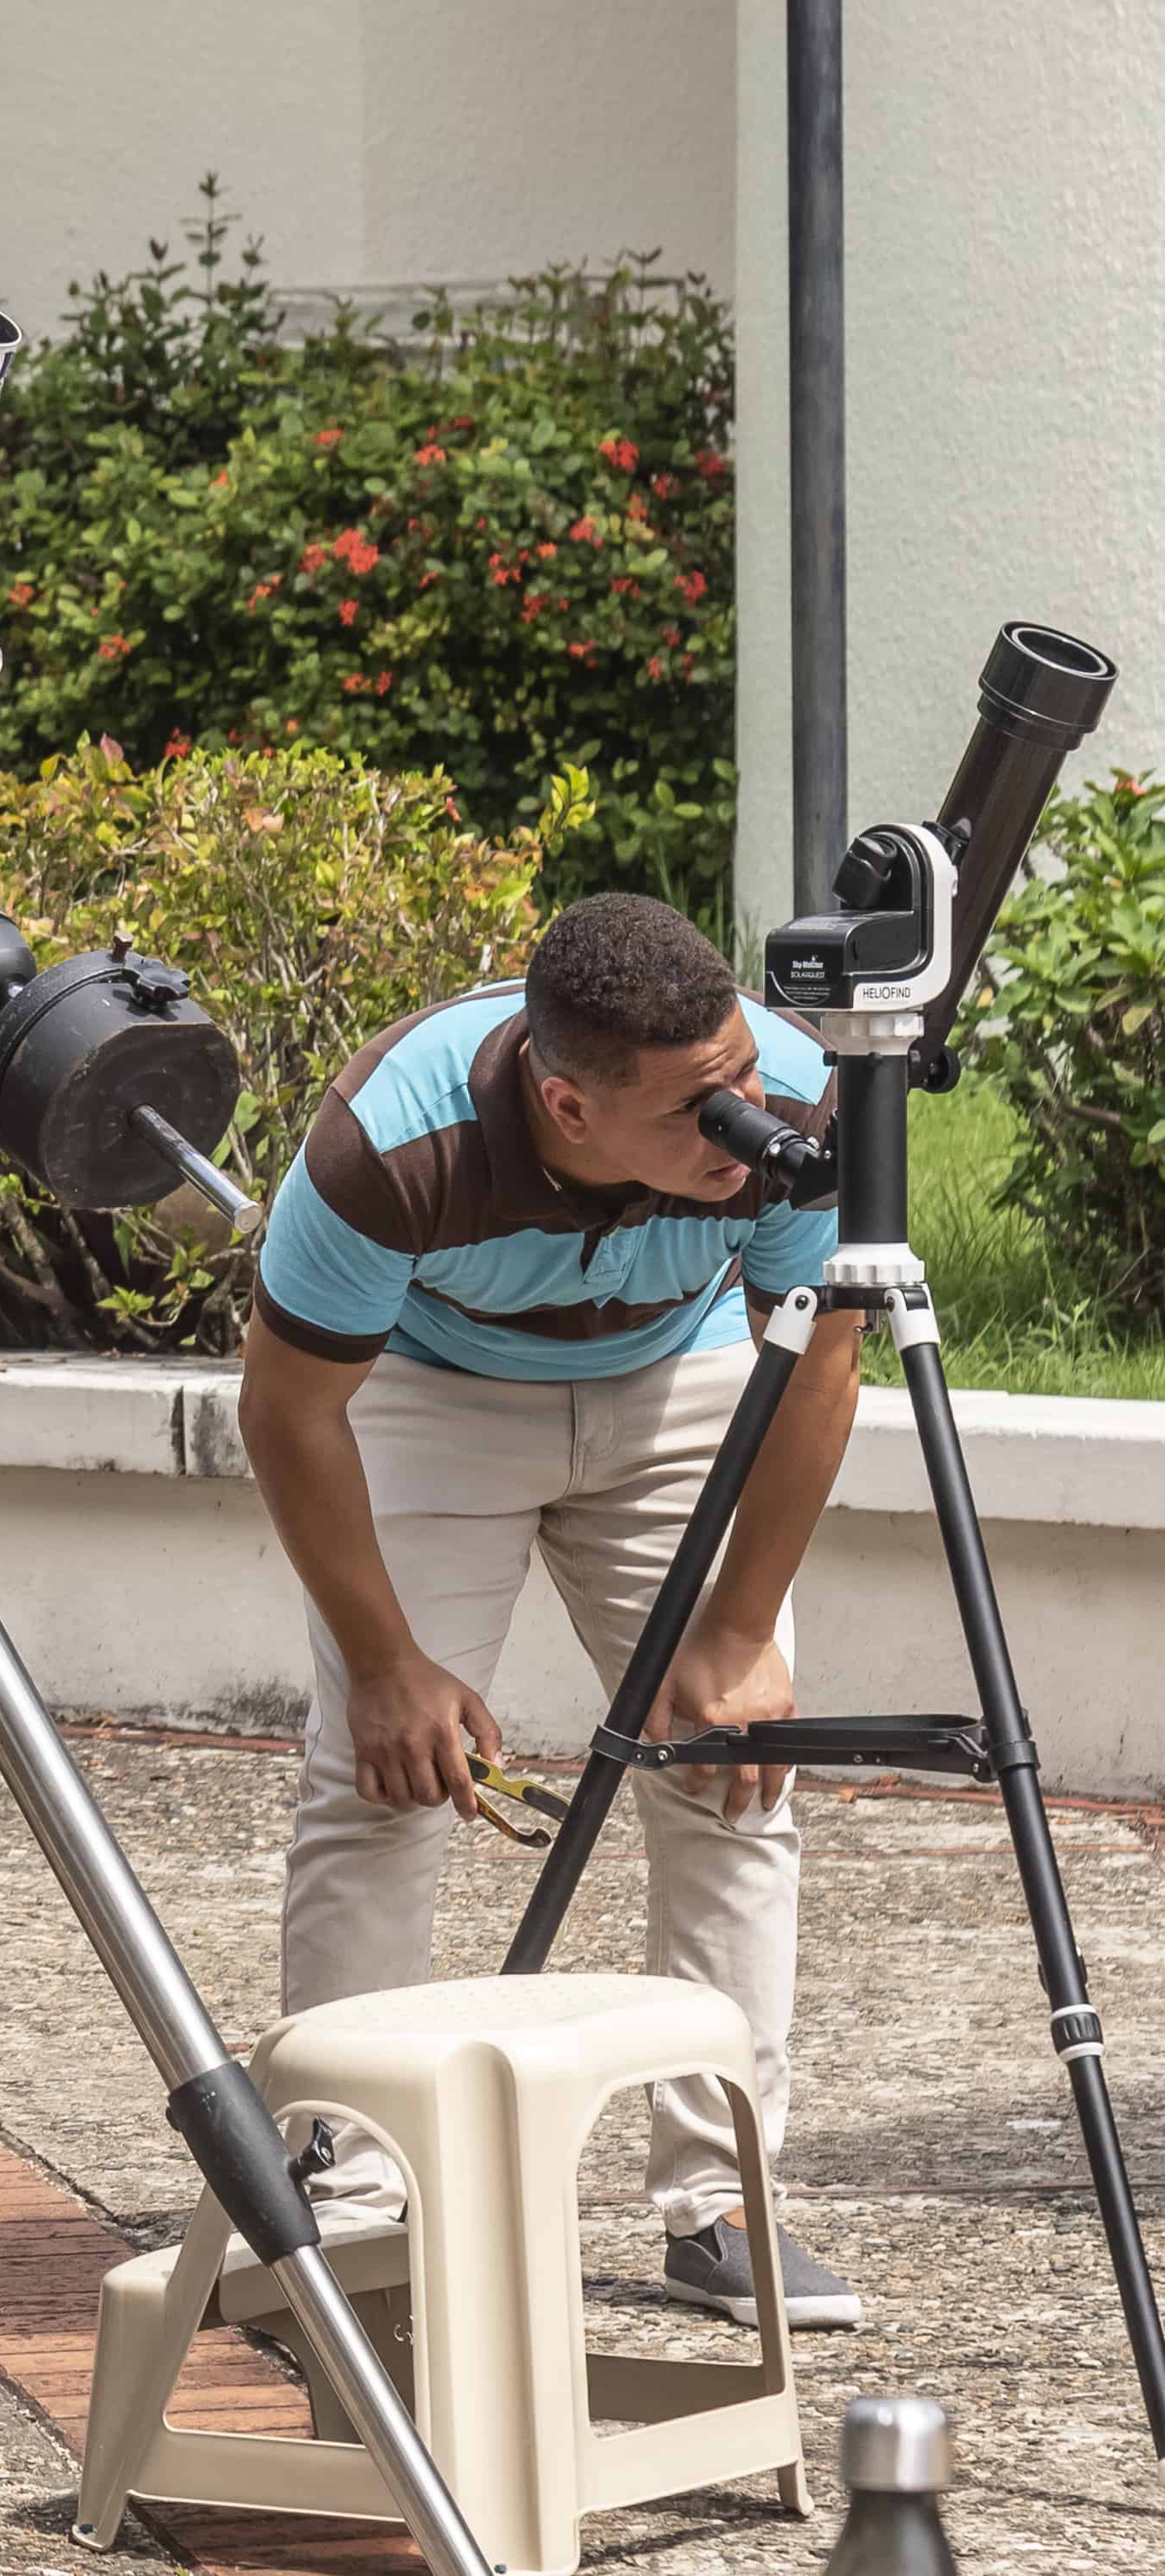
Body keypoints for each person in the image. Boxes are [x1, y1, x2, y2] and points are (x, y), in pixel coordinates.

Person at [243, 891, 868, 2326]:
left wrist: (735, 1632)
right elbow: (287, 1406)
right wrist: (386, 1659)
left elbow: (820, 1359)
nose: (747, 1129)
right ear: (566, 1103)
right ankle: (347, 2193)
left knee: (732, 1770)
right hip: (427, 1391)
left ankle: (719, 2201)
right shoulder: (388, 1142)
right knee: (380, 1777)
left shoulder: (793, 1106)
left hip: (680, 1374)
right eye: (698, 1115)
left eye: (745, 1083)